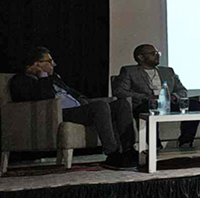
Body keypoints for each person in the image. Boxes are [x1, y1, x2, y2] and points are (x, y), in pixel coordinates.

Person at [9, 46, 137, 170]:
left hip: (78, 110)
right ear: (37, 63)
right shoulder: (20, 80)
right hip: (58, 114)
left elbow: (70, 92)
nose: (53, 64)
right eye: (49, 61)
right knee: (100, 106)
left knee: (122, 104)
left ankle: (128, 151)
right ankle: (112, 154)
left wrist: (82, 99)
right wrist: (43, 76)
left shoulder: (54, 78)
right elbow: (46, 100)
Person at [112, 44, 200, 148]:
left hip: (168, 102)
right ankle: (155, 145)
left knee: (195, 104)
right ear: (141, 57)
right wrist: (146, 97)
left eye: (158, 53)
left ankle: (185, 142)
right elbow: (120, 91)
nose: (157, 55)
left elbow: (182, 90)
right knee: (148, 108)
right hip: (145, 104)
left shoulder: (168, 71)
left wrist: (173, 96)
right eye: (153, 53)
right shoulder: (129, 71)